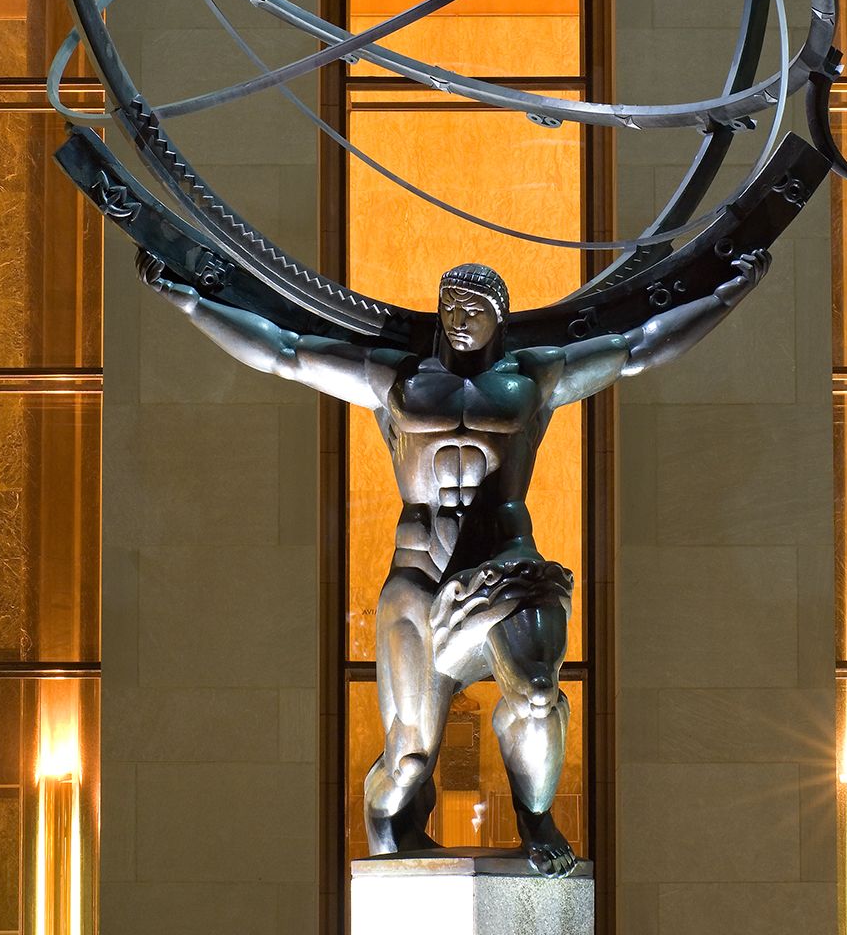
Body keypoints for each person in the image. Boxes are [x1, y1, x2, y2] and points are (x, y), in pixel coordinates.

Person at [137, 247, 769, 876]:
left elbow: (638, 349)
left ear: (501, 317)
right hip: (420, 577)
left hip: (504, 563)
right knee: (410, 759)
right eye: (450, 308)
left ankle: (536, 819)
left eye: (474, 309)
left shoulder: (534, 377)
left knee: (539, 692)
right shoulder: (397, 379)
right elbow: (283, 353)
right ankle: (387, 815)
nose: (459, 319)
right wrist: (191, 302)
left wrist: (725, 296)